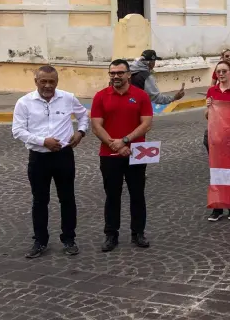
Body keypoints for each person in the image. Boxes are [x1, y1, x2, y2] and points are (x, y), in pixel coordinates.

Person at [12, 66, 88, 258]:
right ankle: (40, 241)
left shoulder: (68, 98)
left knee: (67, 199)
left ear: (57, 81)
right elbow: (18, 131)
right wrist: (42, 141)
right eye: (43, 81)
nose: (47, 85)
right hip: (39, 158)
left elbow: (83, 115)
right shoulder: (24, 103)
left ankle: (69, 239)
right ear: (36, 81)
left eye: (51, 81)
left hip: (64, 156)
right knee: (39, 201)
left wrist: (81, 132)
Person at [91, 59, 154, 252]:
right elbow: (96, 125)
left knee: (137, 194)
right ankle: (111, 234)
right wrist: (116, 145)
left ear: (128, 75)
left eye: (120, 73)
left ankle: (138, 233)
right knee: (112, 196)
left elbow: (146, 123)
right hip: (109, 154)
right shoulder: (100, 96)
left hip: (137, 153)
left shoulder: (141, 95)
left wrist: (125, 140)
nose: (116, 76)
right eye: (112, 73)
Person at [204, 61, 230, 221]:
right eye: (218, 72)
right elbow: (207, 116)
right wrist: (208, 107)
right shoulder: (211, 91)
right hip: (215, 138)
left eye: (224, 71)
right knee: (216, 172)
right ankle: (217, 206)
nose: (221, 74)